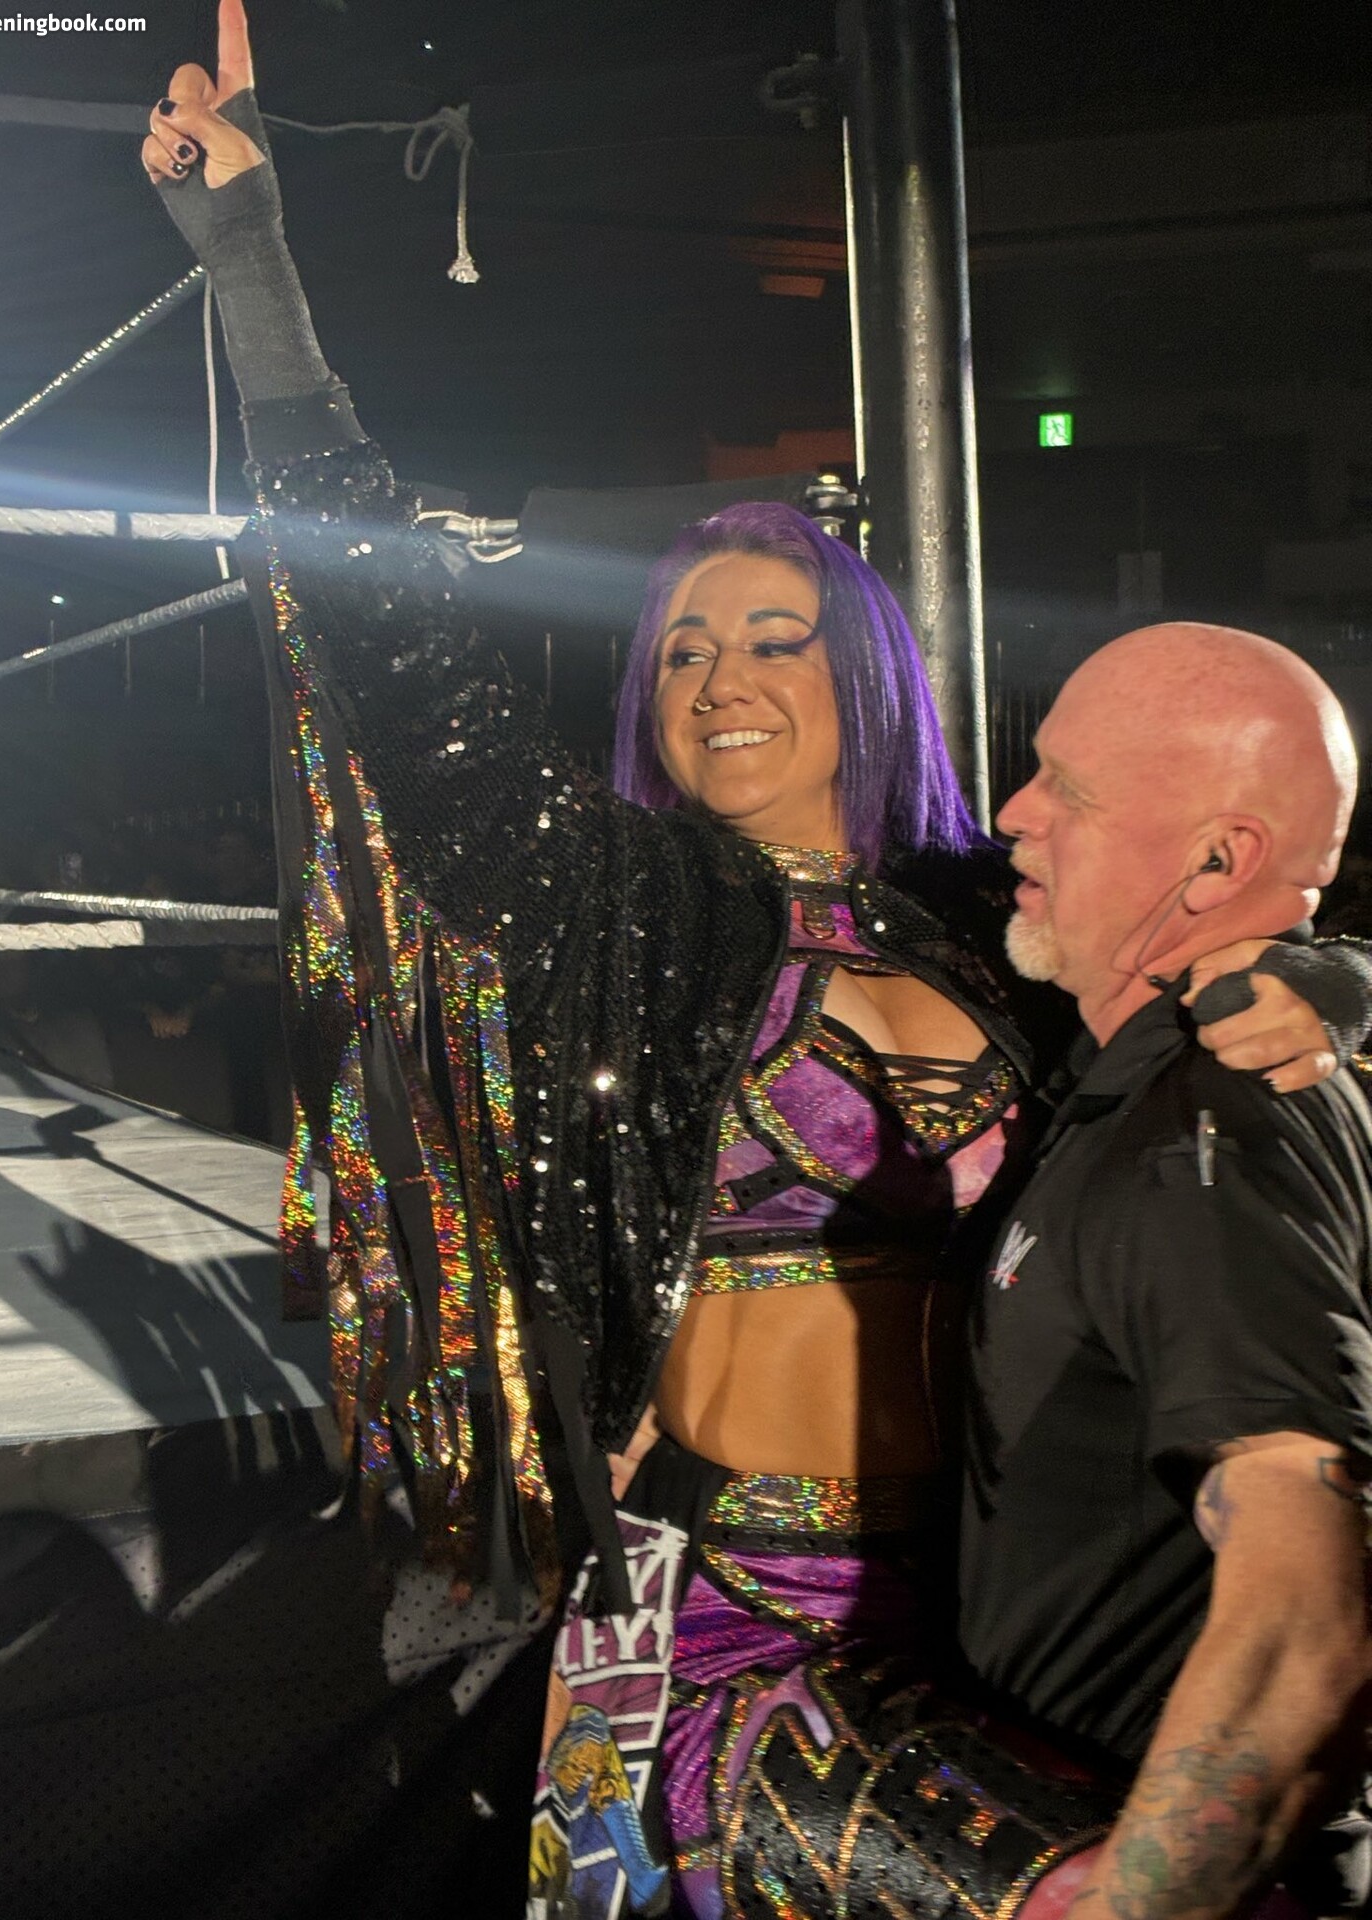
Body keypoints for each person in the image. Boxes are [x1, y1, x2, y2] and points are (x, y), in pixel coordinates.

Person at [139, 12, 1371, 1913]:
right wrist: (252, 261)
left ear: (859, 671)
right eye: (686, 649)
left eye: (774, 639)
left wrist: (1339, 978)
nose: (721, 679)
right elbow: (393, 636)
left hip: (958, 1621)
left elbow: (1225, 906)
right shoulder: (620, 906)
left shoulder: (992, 922)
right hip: (713, 1627)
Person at [961, 624, 1372, 1918]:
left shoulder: (1209, 1130)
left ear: (1219, 862)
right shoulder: (1158, 1085)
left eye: (1068, 790)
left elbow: (1304, 1633)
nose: (1013, 813)